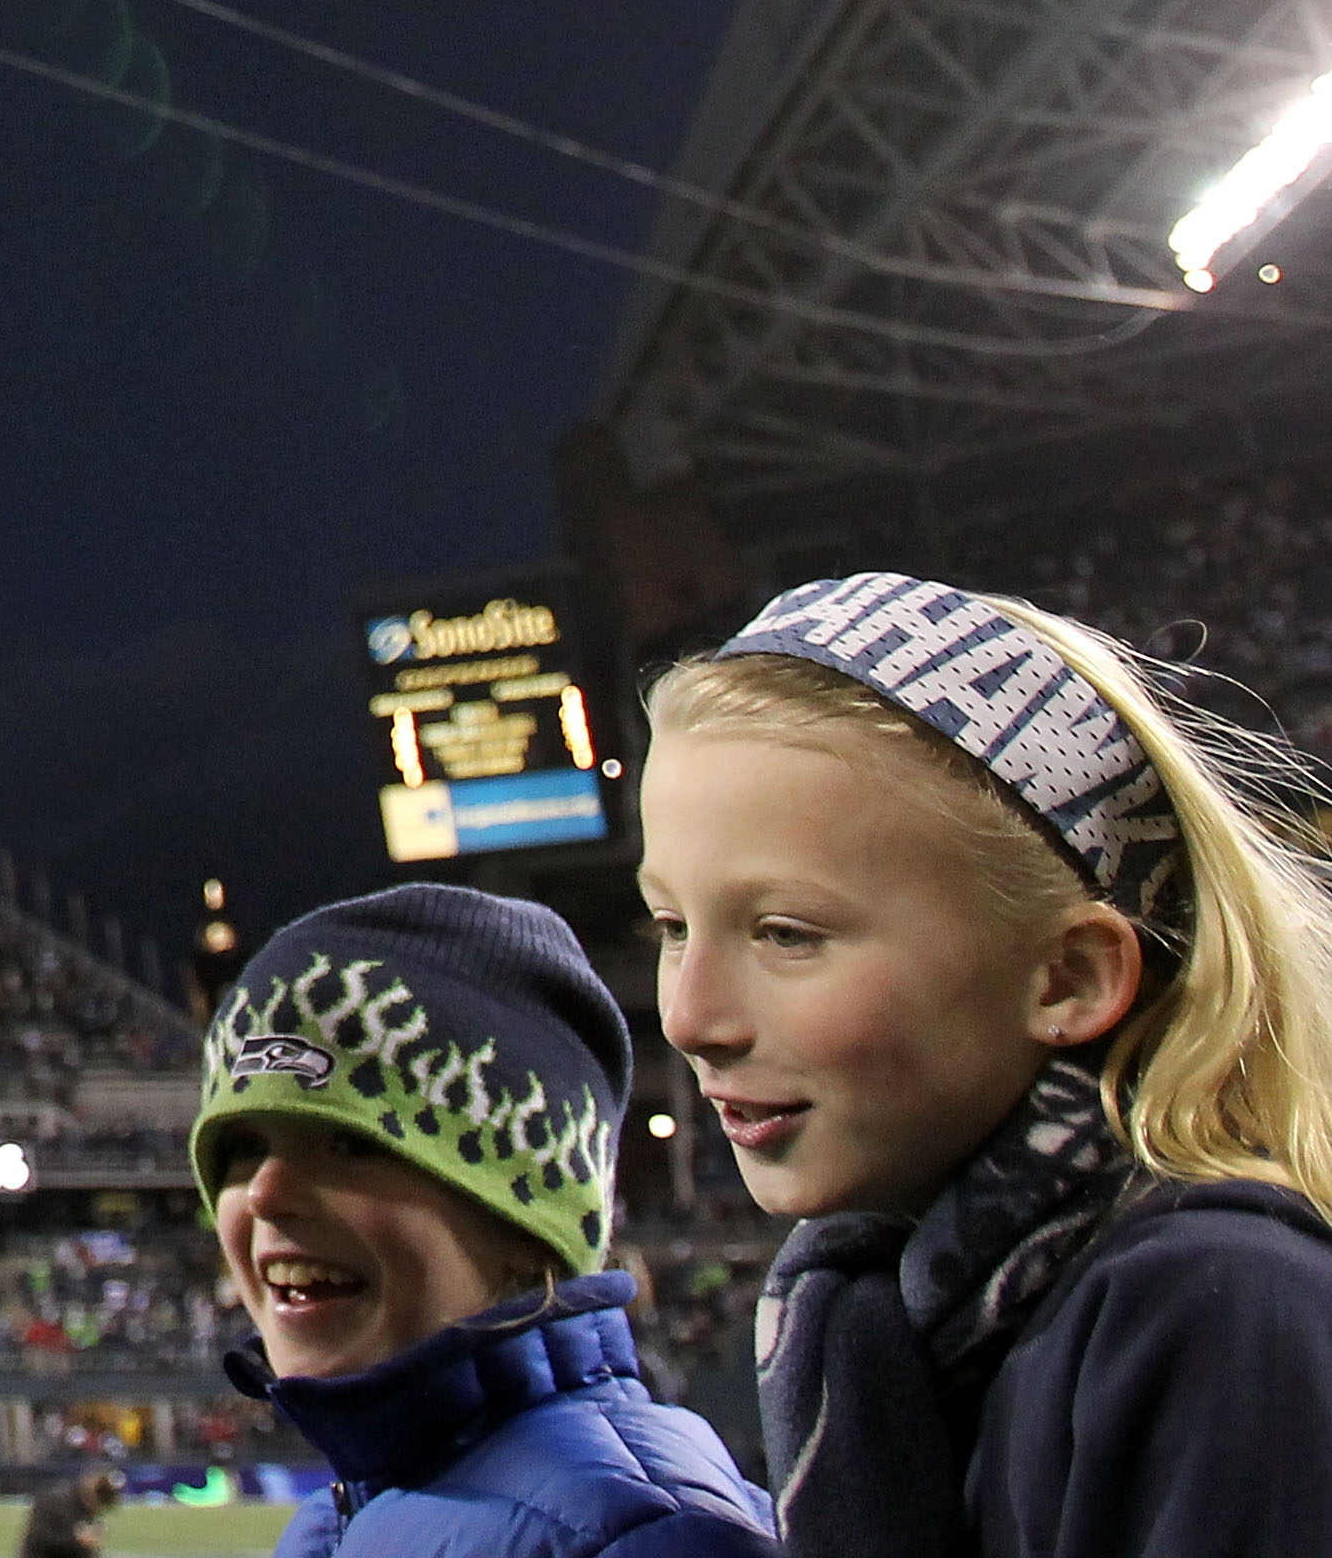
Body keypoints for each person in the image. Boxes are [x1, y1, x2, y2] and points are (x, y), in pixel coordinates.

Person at [640, 571, 1332, 1556]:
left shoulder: (1214, 1311)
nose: (690, 1015)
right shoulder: (914, 1314)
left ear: (1066, 976)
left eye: (787, 932)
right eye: (670, 924)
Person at [196, 885, 776, 1556]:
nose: (264, 1193)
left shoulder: (638, 1535)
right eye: (242, 1149)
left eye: (348, 1145)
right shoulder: (345, 1516)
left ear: (522, 1221)